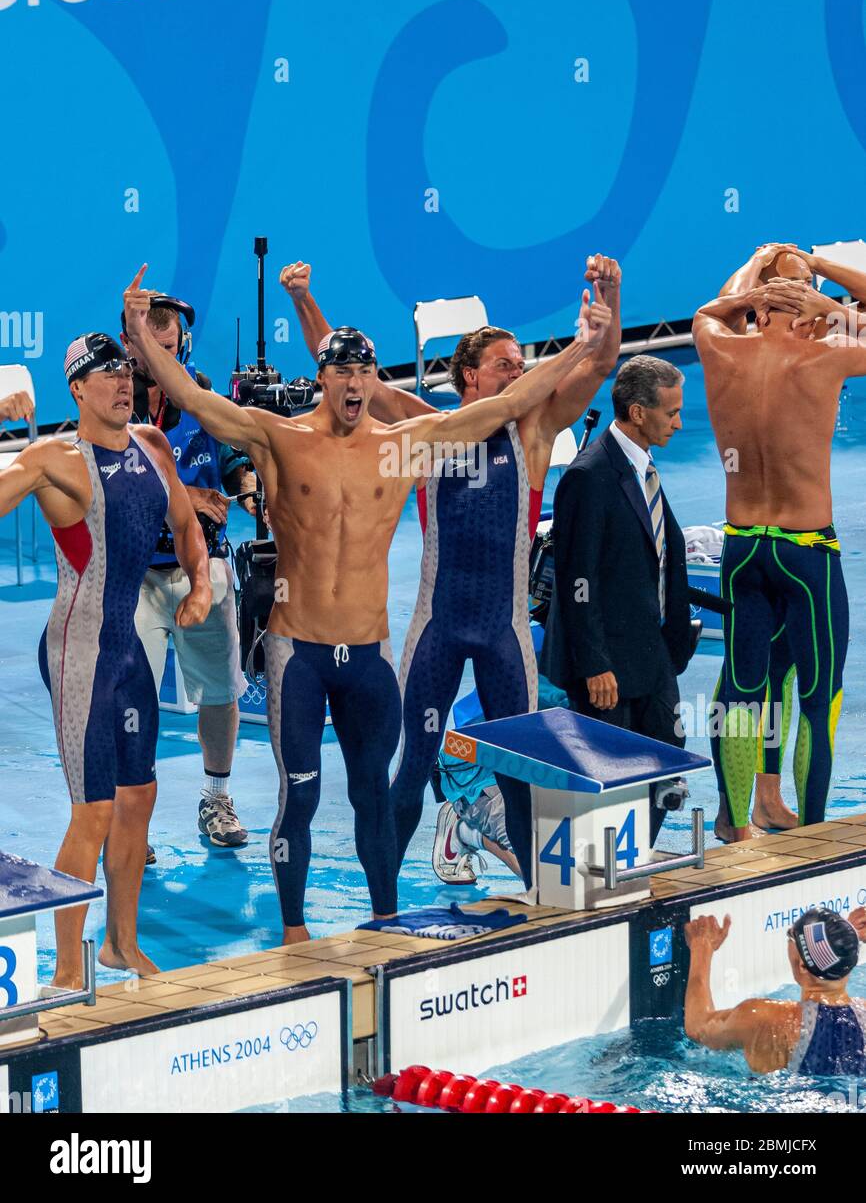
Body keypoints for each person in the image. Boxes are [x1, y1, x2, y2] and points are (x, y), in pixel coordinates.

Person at [122, 264, 611, 941]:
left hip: (371, 657)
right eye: (342, 372)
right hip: (300, 653)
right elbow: (197, 403)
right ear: (323, 378)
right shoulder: (281, 438)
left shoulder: (405, 445)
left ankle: (386, 919)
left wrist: (583, 344)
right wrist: (141, 336)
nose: (354, 385)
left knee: (371, 797)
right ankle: (295, 934)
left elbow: (501, 407)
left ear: (373, 379)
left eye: (365, 372)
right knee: (301, 795)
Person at [284, 257, 621, 887]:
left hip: (504, 631)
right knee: (412, 765)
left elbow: (600, 364)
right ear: (468, 374)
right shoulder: (421, 425)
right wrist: (305, 297)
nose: (519, 374)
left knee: (522, 767)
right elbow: (345, 376)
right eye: (505, 365)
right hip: (436, 629)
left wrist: (611, 297)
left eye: (522, 366)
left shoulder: (536, 429)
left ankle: (539, 898)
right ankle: (384, 907)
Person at [0, 333, 212, 985]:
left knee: (138, 797)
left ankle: (120, 944)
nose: (122, 382)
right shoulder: (52, 460)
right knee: (91, 810)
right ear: (77, 390)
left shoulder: (151, 446)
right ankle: (68, 970)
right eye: (105, 373)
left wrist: (200, 584)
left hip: (129, 650)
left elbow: (185, 524)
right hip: (78, 653)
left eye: (125, 370)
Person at [694, 243, 866, 842]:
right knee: (819, 700)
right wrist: (821, 277)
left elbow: (711, 311)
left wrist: (758, 265)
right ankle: (814, 834)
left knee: (741, 692)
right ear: (807, 308)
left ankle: (736, 824)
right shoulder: (823, 356)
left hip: (742, 548)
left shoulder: (719, 348)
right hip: (805, 552)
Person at [120, 297, 256, 850]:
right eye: (149, 348)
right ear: (130, 345)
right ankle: (133, 817)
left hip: (203, 567)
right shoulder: (115, 400)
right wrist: (186, 496)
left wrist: (249, 491)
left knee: (221, 692)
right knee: (135, 697)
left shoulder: (203, 399)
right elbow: (113, 489)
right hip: (135, 578)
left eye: (169, 348)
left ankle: (216, 797)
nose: (159, 358)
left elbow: (234, 464)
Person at [545, 355, 692, 845]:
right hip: (606, 667)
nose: (679, 421)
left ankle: (631, 861)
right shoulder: (589, 475)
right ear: (636, 412)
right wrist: (594, 664)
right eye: (670, 412)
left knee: (667, 756)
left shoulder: (644, 466)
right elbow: (575, 579)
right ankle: (601, 872)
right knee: (609, 777)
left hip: (652, 656)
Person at [684, 908, 866, 1074]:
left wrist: (702, 946)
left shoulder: (764, 1017)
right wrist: (845, 937)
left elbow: (698, 1027)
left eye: (790, 936)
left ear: (803, 966)